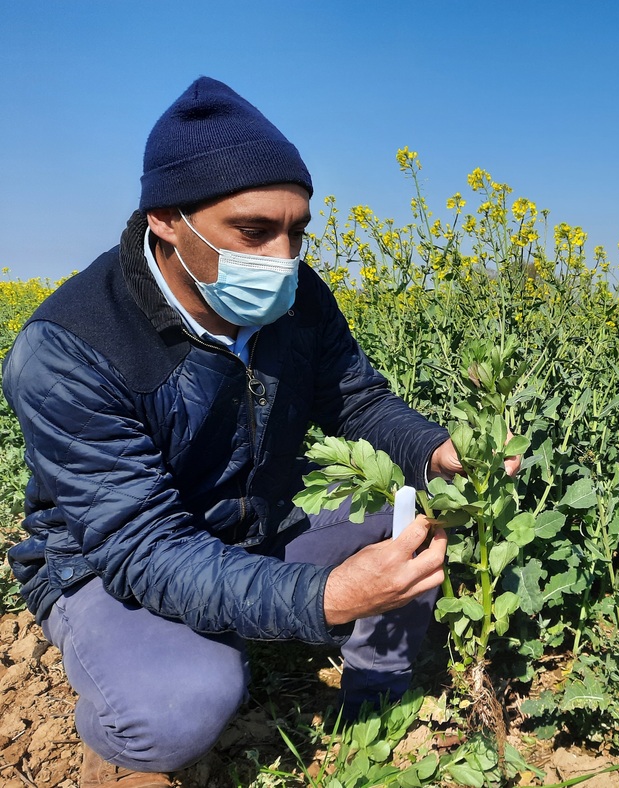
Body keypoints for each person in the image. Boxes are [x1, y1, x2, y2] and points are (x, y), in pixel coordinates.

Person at [3, 76, 514, 787]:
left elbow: (356, 400)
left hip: (256, 518)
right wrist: (323, 598)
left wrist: (435, 451)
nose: (282, 258)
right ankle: (126, 750)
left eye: (297, 231)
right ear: (166, 219)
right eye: (253, 231)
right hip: (111, 562)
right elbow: (143, 547)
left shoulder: (298, 299)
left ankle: (377, 709)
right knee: (178, 704)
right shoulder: (70, 347)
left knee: (418, 512)